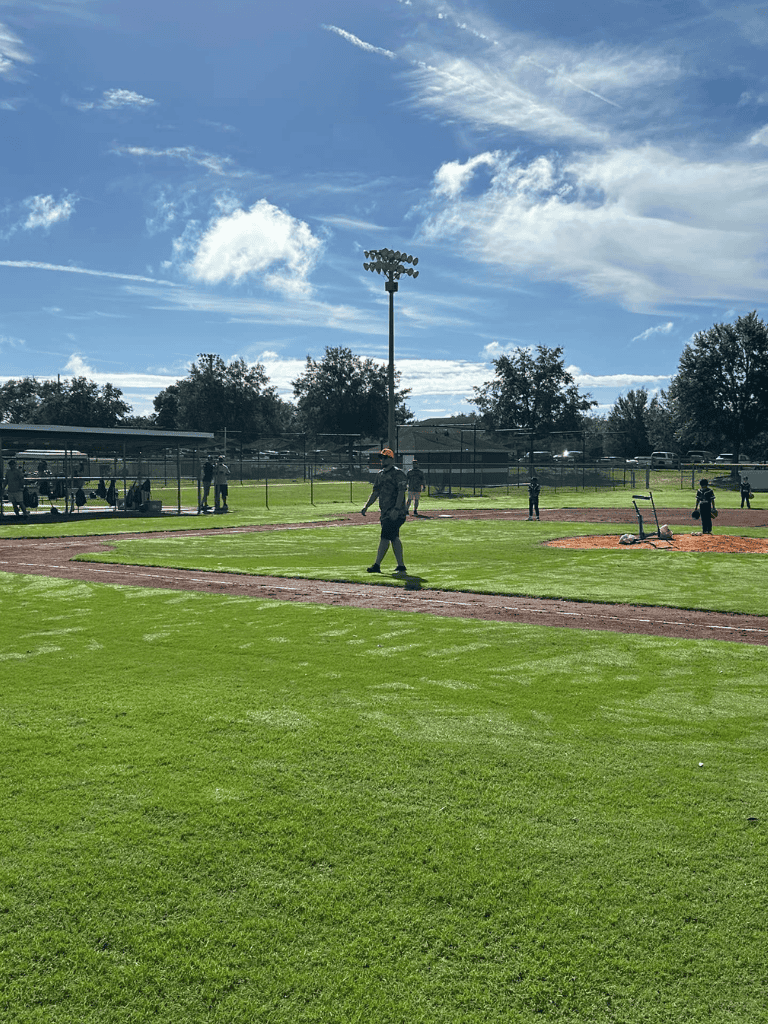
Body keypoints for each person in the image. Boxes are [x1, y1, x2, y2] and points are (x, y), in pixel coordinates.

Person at [361, 448, 408, 573]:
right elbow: (375, 492)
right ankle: (401, 566)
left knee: (385, 537)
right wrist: (367, 506)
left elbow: (401, 492)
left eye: (385, 457)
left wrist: (397, 509)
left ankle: (377, 565)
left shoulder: (398, 474)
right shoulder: (380, 474)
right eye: (382, 457)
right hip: (385, 513)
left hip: (396, 513)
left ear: (391, 459)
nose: (382, 460)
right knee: (394, 537)